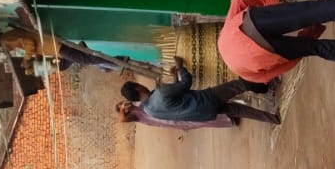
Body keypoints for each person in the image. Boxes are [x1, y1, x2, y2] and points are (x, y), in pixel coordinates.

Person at [217, 0, 335, 84]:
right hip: (252, 23)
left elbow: (267, 76)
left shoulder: (241, 72)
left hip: (264, 54)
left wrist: (301, 47)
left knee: (318, 49)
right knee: (316, 11)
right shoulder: (223, 37)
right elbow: (237, 1)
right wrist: (272, 2)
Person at [120, 56, 280, 126]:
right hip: (206, 99)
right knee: (239, 85)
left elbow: (175, 101)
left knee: (238, 110)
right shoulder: (160, 94)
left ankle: (274, 119)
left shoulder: (149, 111)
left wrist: (174, 77)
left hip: (204, 114)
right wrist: (181, 67)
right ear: (137, 87)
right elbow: (186, 83)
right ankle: (267, 84)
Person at [117, 100, 237, 130]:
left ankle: (226, 114)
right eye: (123, 106)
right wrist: (122, 109)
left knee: (197, 115)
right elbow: (122, 120)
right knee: (197, 121)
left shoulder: (138, 104)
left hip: (169, 114)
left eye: (124, 102)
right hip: (168, 120)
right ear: (125, 111)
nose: (126, 104)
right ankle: (228, 119)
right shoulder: (134, 115)